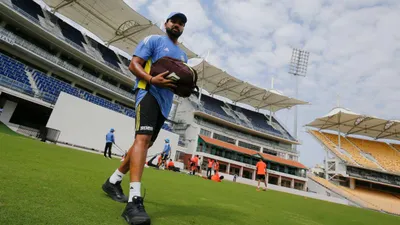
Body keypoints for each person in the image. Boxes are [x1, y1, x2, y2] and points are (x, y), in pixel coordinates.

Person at [101, 12, 189, 225]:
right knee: (142, 139)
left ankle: (113, 181)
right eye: (173, 22)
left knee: (144, 144)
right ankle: (134, 200)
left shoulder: (184, 56)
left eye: (181, 24)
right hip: (148, 91)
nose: (176, 25)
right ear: (165, 23)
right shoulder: (154, 40)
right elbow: (134, 64)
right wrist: (151, 78)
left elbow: (178, 83)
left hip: (165, 104)